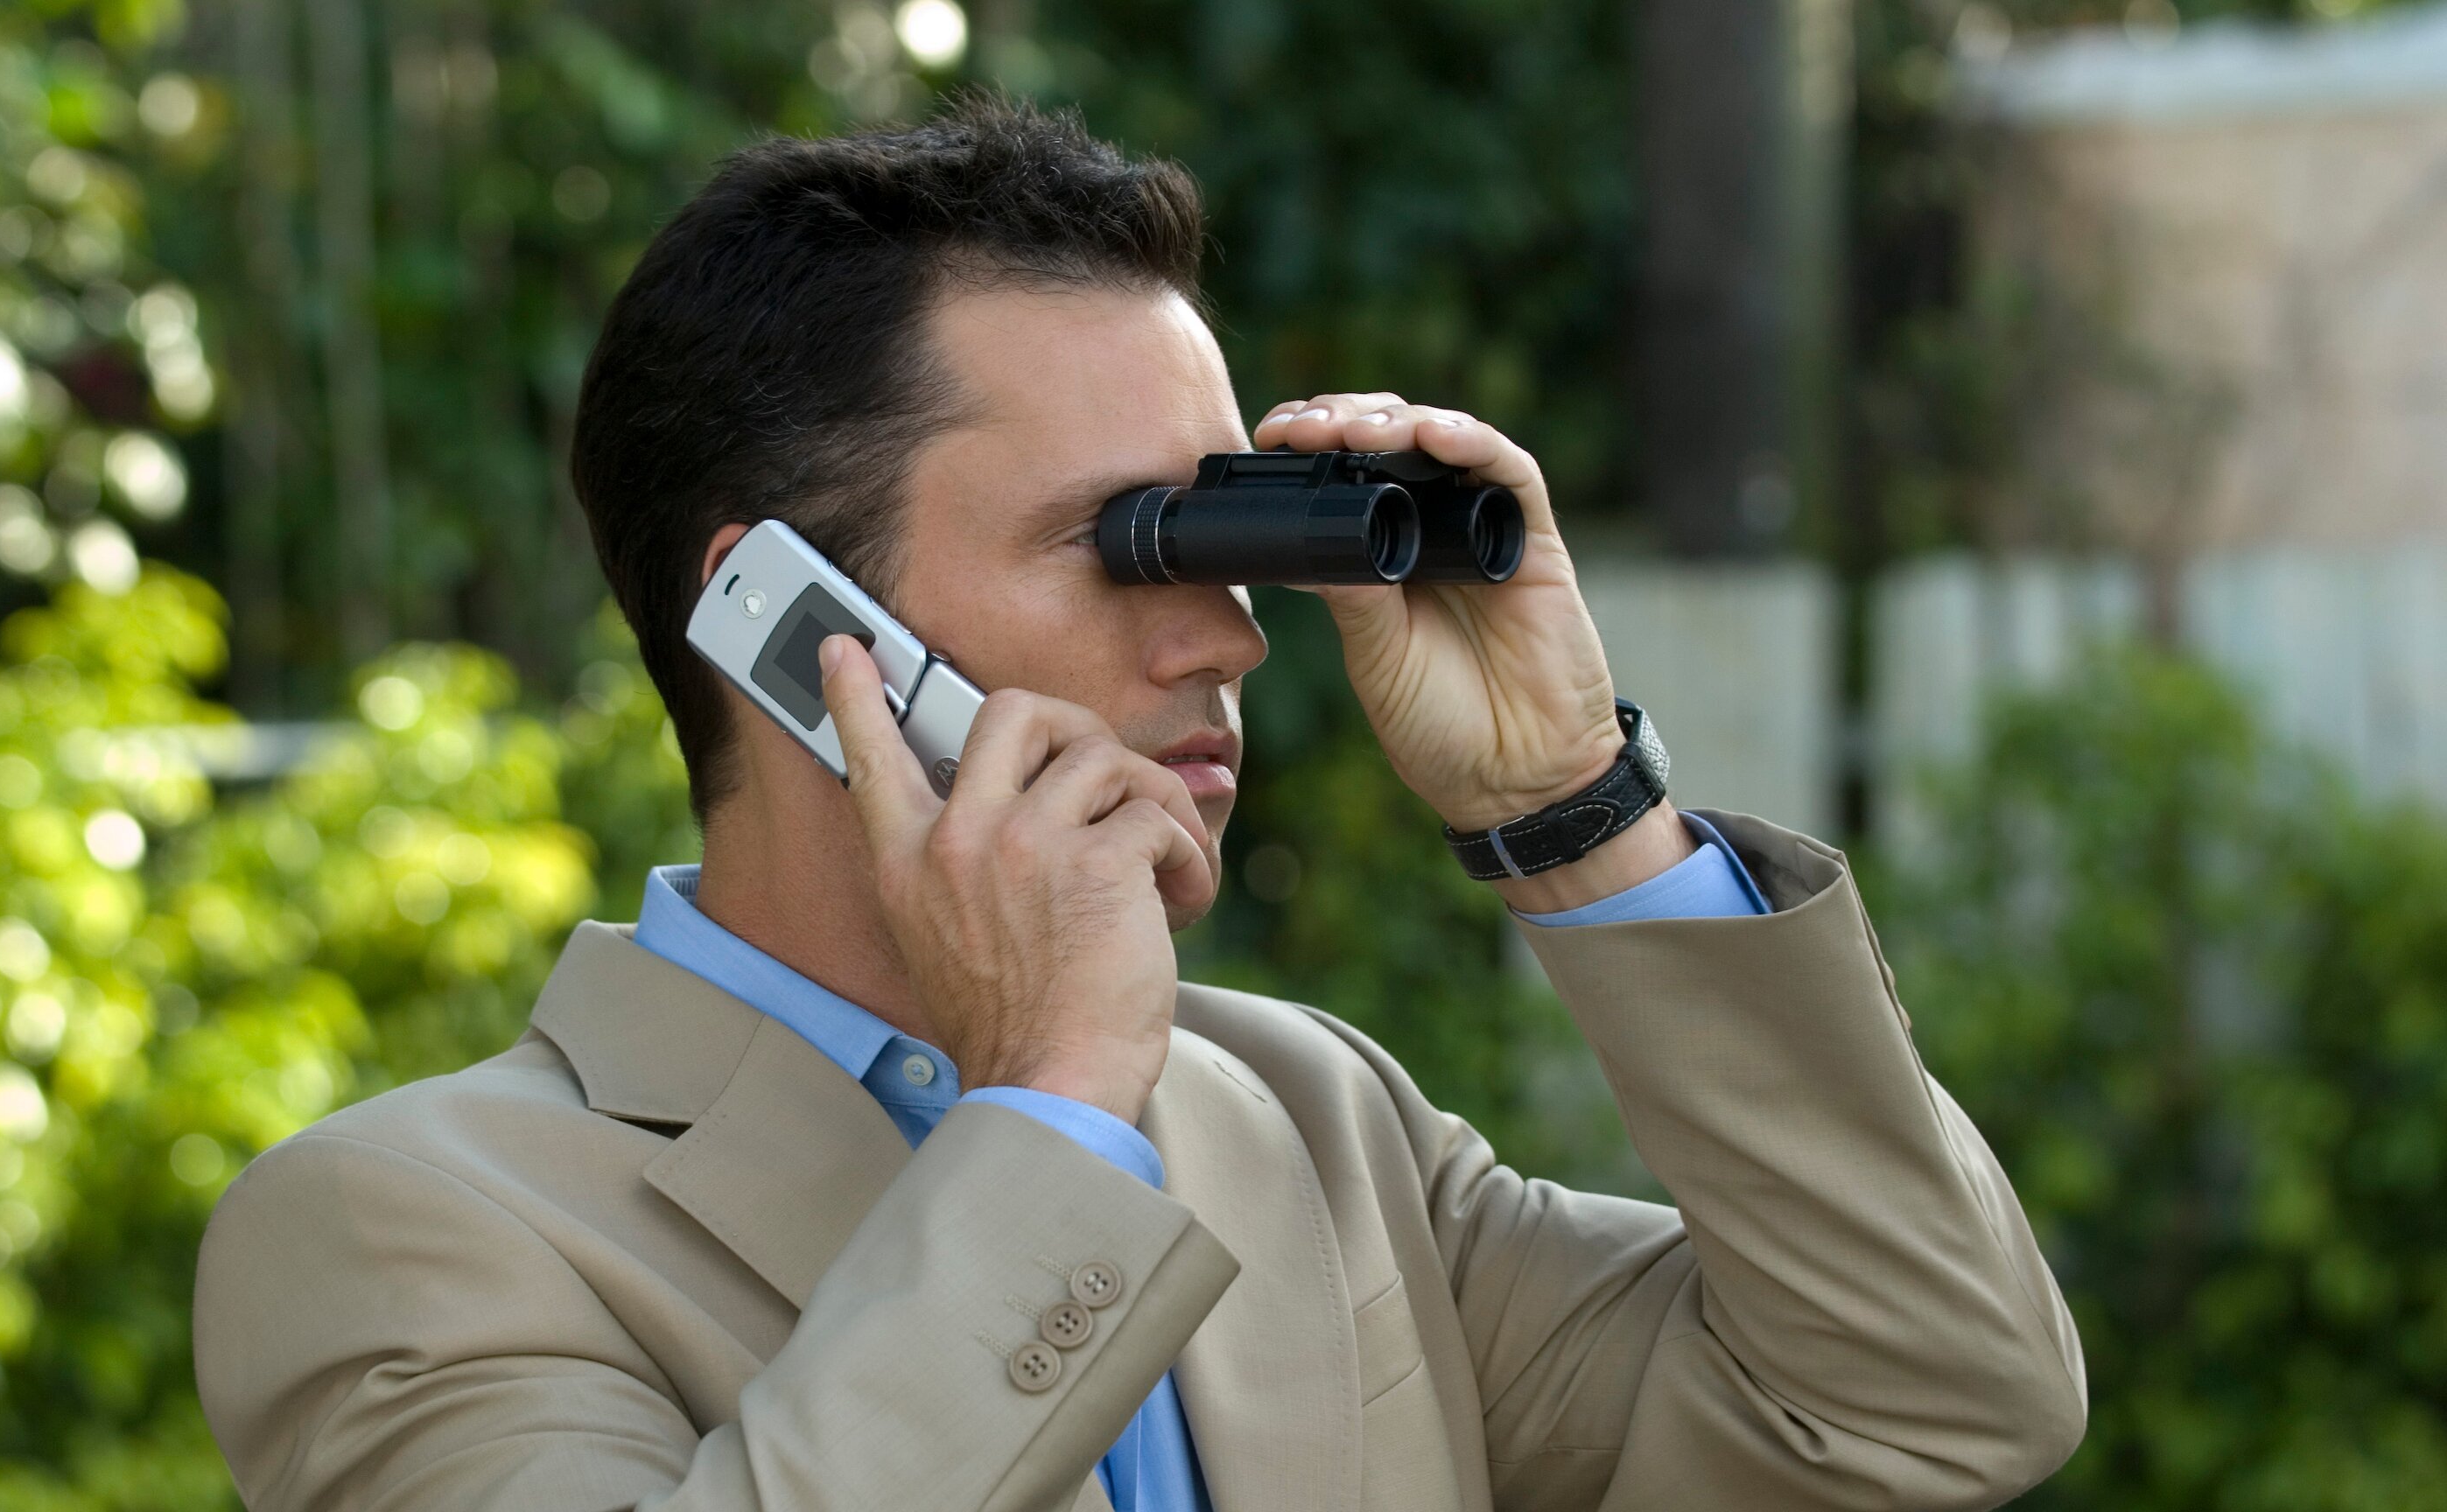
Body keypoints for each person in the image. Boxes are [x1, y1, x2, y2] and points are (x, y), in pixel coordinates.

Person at [190, 96, 2086, 1512]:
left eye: (1223, 529)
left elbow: (1930, 1402)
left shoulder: (1303, 1120)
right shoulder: (407, 1228)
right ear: (784, 619)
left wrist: (1576, 810)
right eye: (1124, 544)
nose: (1232, 635)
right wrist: (1047, 1112)